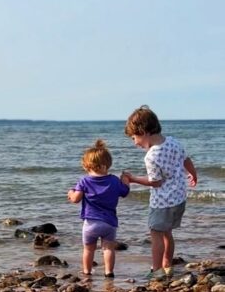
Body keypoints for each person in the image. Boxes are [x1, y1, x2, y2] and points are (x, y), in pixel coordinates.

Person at [122, 105, 198, 280]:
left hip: (162, 203)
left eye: (134, 137)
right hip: (179, 199)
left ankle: (156, 270)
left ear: (144, 131)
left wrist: (132, 179)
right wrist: (193, 174)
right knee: (167, 233)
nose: (135, 143)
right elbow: (186, 159)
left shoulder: (151, 156)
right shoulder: (173, 142)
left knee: (156, 234)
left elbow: (155, 182)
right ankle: (167, 265)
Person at [67, 139, 130, 278]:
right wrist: (125, 180)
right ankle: (109, 272)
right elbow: (125, 192)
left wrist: (71, 193)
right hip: (109, 223)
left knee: (88, 249)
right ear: (107, 164)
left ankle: (87, 272)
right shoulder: (114, 180)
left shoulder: (84, 181)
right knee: (108, 249)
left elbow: (76, 199)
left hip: (91, 224)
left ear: (86, 165)